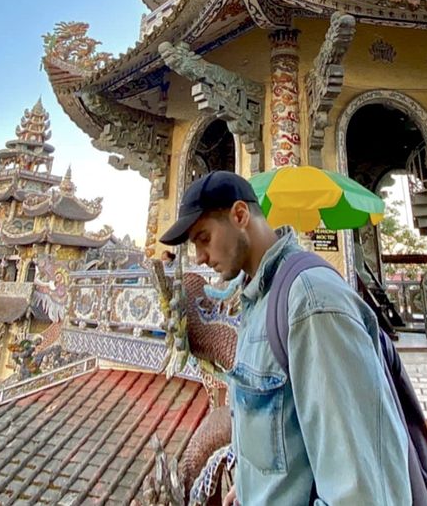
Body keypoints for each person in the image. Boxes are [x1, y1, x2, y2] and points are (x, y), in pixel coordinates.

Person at [160, 171, 411, 506]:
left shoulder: (311, 302)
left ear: (239, 215)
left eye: (203, 238)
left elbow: (363, 491)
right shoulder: (257, 300)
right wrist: (254, 485)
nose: (201, 257)